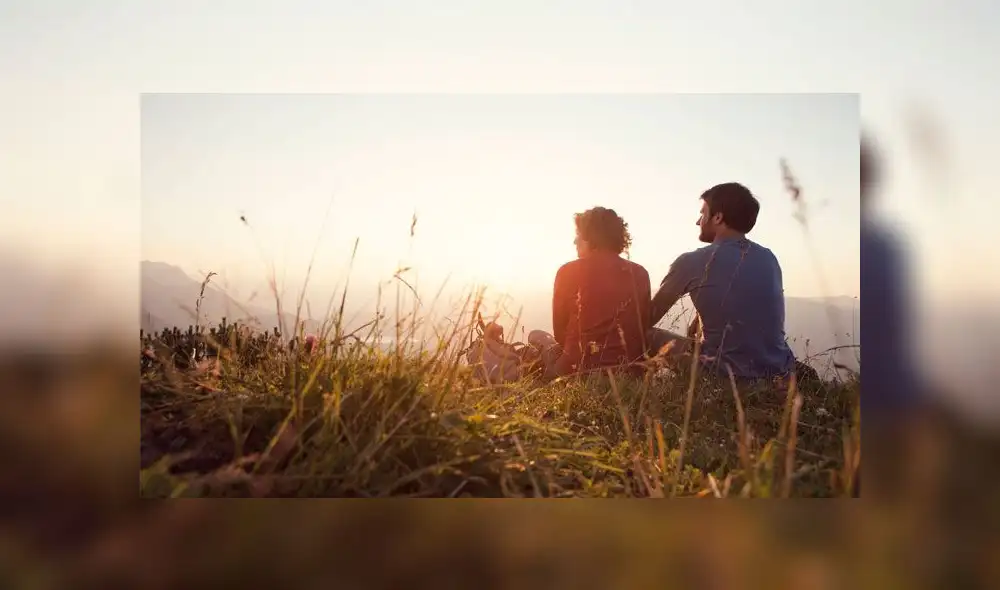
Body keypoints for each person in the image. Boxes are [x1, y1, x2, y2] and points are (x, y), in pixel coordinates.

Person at [648, 182, 796, 382]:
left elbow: (647, 317)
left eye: (703, 214)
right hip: (778, 370)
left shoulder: (691, 261)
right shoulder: (768, 257)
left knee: (643, 334)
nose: (698, 221)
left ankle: (634, 388)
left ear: (717, 217)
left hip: (725, 375)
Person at [530, 207, 652, 380]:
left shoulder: (567, 272)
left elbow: (560, 333)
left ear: (590, 236)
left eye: (578, 234)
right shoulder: (640, 273)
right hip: (630, 373)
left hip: (577, 371)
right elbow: (642, 327)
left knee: (536, 336)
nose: (575, 241)